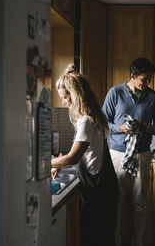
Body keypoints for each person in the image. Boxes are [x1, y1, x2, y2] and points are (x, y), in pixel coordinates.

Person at [51, 64, 118, 246]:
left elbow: (73, 157)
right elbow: (84, 156)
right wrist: (59, 162)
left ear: (75, 95)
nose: (64, 102)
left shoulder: (86, 121)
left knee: (96, 238)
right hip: (102, 186)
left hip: (100, 190)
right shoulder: (91, 117)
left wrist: (50, 163)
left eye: (65, 97)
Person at [102, 57, 155, 246]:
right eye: (144, 79)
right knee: (117, 202)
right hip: (118, 152)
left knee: (139, 203)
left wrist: (147, 128)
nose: (147, 83)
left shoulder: (154, 97)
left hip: (142, 153)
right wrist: (120, 128)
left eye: (149, 79)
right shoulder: (115, 92)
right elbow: (104, 122)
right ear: (133, 75)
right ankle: (116, 242)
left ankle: (138, 243)